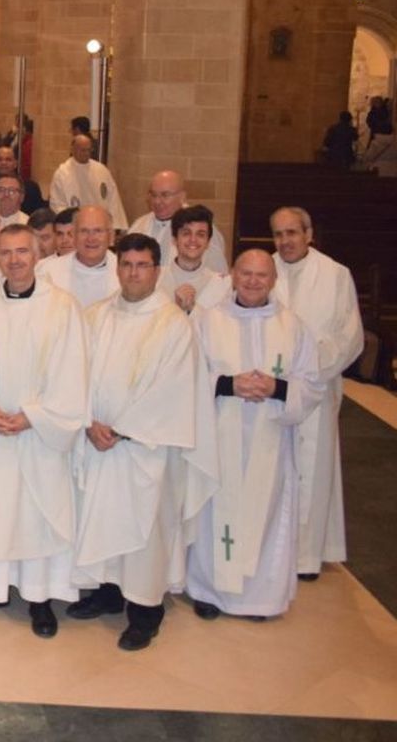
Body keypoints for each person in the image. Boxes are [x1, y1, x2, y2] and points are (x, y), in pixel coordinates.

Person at [69, 232, 215, 652]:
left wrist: (121, 429)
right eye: (126, 265)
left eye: (142, 266)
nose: (133, 274)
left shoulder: (173, 324)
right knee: (102, 522)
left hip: (145, 450)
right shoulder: (96, 316)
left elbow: (172, 389)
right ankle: (108, 592)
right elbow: (74, 372)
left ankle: (146, 611)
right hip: (98, 441)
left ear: (156, 270)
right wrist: (88, 421)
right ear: (118, 269)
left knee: (145, 533)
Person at [0, 225, 88, 638]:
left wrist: (33, 416)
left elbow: (73, 370)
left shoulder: (62, 307)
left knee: (37, 514)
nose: (14, 261)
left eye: (22, 252)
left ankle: (39, 596)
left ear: (37, 255)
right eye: (6, 253)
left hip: (39, 433)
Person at [186, 250, 321, 620]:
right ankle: (207, 591)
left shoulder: (292, 326)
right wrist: (229, 384)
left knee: (266, 511)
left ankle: (259, 598)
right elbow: (188, 374)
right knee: (214, 509)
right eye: (245, 273)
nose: (252, 281)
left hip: (270, 442)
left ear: (273, 279)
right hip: (219, 438)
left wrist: (277, 388)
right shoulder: (208, 321)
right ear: (232, 274)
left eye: (261, 275)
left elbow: (312, 383)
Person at [269, 206, 362, 580]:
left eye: (292, 233)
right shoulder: (262, 269)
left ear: (309, 234)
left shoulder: (336, 275)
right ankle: (270, 550)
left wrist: (309, 376)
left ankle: (306, 557)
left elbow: (349, 336)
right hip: (270, 390)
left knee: (311, 468)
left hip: (316, 391)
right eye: (278, 234)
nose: (285, 241)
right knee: (271, 469)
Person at [128, 170, 229, 273]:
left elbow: (216, 271)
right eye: (153, 195)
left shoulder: (200, 228)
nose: (157, 201)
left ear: (182, 197)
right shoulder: (139, 225)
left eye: (165, 195)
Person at [38, 205, 118, 307]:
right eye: (84, 231)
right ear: (74, 236)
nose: (91, 238)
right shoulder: (48, 272)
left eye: (98, 231)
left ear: (111, 236)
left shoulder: (126, 273)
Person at [157, 206, 230, 313]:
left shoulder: (222, 285)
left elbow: (220, 327)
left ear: (208, 242)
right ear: (174, 239)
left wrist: (194, 310)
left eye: (200, 234)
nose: (193, 240)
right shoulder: (156, 278)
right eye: (186, 233)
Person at [49, 134, 129, 229]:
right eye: (83, 150)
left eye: (89, 150)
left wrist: (116, 226)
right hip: (75, 227)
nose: (86, 153)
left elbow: (113, 201)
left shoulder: (101, 170)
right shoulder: (62, 174)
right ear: (73, 150)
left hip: (100, 225)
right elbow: (58, 204)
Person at [0, 146, 45, 214]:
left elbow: (38, 216)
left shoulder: (31, 188)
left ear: (15, 164)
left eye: (8, 159)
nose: (3, 163)